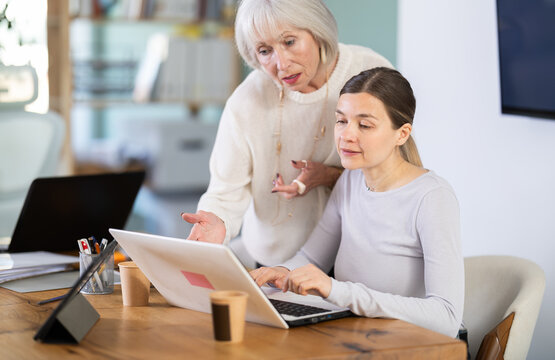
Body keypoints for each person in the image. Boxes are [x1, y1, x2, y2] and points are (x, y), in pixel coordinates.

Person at [250, 67, 464, 337]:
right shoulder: (351, 180)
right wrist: (280, 272)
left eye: (364, 125)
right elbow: (311, 258)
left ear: (402, 133)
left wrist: (337, 290)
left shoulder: (432, 198)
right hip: (355, 338)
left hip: (408, 347)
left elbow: (446, 317)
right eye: (341, 121)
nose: (346, 135)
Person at [181, 0, 392, 267]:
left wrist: (330, 177)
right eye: (265, 50)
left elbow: (396, 176)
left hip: (357, 261)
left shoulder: (370, 74)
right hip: (277, 265)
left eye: (290, 42)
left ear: (316, 31)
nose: (281, 63)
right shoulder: (247, 101)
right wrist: (216, 220)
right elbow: (226, 190)